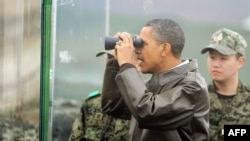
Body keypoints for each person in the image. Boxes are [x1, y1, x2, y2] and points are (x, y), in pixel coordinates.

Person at [101, 18, 210, 141]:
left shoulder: (193, 87)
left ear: (164, 49)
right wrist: (116, 64)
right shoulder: (151, 86)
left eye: (143, 44)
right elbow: (113, 106)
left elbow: (147, 112)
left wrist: (127, 65)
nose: (137, 50)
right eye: (137, 43)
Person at [68, 50, 130, 141]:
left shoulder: (138, 104)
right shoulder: (92, 103)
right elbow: (76, 137)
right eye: (110, 59)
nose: (113, 64)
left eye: (118, 59)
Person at [201, 28, 250, 141]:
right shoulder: (195, 99)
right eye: (212, 57)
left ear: (240, 62)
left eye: (223, 58)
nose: (216, 64)